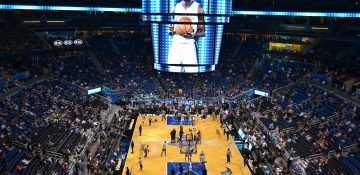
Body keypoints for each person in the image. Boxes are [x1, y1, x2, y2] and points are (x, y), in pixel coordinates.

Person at [168, 0, 206, 73]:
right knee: (173, 74)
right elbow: (170, 28)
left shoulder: (198, 8)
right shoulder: (176, 7)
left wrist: (192, 35)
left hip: (189, 45)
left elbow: (203, 33)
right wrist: (171, 31)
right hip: (175, 44)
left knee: (192, 73)